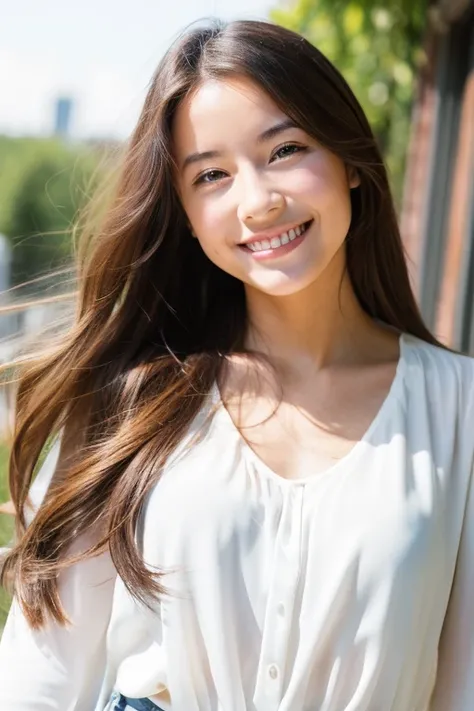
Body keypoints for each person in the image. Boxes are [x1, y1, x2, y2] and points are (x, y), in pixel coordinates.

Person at [0, 17, 472, 711]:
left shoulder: (458, 408)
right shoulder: (130, 401)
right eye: (212, 174)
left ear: (350, 160)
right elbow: (39, 679)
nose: (258, 201)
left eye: (285, 149)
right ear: (186, 213)